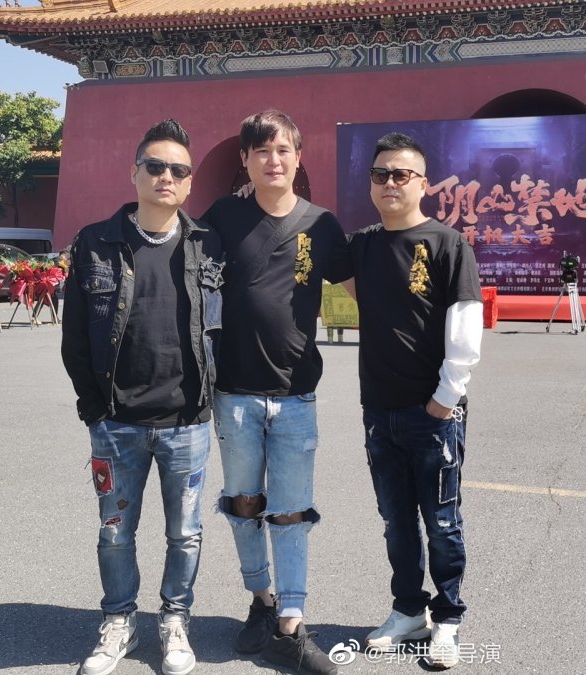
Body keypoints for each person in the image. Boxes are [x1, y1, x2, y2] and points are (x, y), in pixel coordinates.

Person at [61, 119, 223, 675]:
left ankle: (175, 620)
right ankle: (119, 620)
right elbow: (74, 337)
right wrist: (93, 409)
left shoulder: (206, 243)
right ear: (135, 173)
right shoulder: (96, 242)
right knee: (114, 533)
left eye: (178, 169)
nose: (166, 177)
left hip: (187, 422)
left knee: (185, 534)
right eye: (155, 166)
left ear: (190, 181)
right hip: (117, 423)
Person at [202, 110, 351, 675]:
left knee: (290, 512)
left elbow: (364, 289)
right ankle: (260, 599)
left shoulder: (321, 225)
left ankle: (290, 621)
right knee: (243, 503)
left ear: (298, 157)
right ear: (245, 159)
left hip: (295, 394)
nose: (273, 160)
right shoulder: (223, 217)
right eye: (261, 150)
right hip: (234, 392)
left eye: (283, 149)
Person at [347, 132, 484, 669]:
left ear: (423, 183)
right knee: (396, 520)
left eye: (401, 174)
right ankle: (408, 610)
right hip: (379, 410)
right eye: (380, 174)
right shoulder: (362, 245)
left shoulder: (448, 245)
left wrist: (446, 398)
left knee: (442, 521)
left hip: (434, 413)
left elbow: (466, 327)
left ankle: (447, 618)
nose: (390, 183)